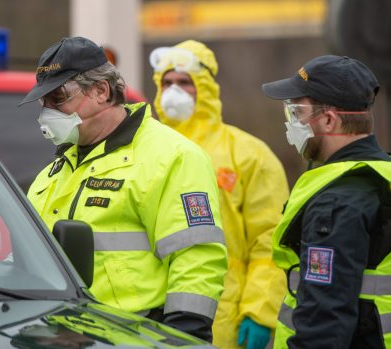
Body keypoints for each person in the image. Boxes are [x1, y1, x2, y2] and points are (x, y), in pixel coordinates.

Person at [18, 36, 227, 342]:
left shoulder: (172, 157)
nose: (48, 112)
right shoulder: (54, 171)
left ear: (101, 91)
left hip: (133, 338)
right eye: (44, 103)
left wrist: (183, 338)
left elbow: (196, 258)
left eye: (58, 97)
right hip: (58, 336)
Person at [150, 40, 289, 349]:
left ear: (206, 87)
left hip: (223, 315)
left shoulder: (248, 154)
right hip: (150, 313)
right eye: (167, 82)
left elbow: (270, 241)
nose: (175, 90)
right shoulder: (144, 151)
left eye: (184, 82)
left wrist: (260, 311)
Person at [262, 55, 391, 347]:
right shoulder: (382, 175)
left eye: (297, 112)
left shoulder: (337, 203)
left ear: (330, 120)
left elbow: (324, 324)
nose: (291, 123)